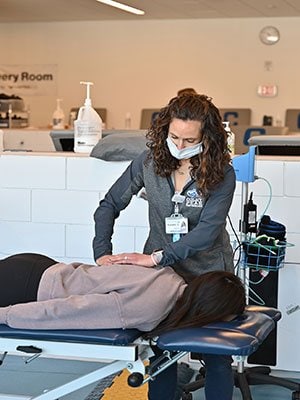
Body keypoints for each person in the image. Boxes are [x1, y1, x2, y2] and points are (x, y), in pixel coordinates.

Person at [92, 93, 236, 400]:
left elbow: (207, 233)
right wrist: (101, 253)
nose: (180, 146)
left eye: (189, 140)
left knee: (216, 358)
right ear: (164, 132)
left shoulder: (222, 174)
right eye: (174, 137)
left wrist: (157, 257)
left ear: (207, 138)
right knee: (160, 353)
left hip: (207, 275)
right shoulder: (148, 163)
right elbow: (108, 205)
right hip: (161, 275)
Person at [0, 253, 245, 333]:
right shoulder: (150, 309)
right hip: (26, 287)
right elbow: (66, 311)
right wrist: (5, 316)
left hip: (38, 266)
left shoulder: (170, 277)